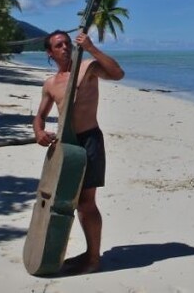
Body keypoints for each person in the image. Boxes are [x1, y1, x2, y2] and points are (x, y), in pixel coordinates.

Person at [33, 30, 125, 274]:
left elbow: (118, 74)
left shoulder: (88, 68)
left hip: (90, 140)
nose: (64, 47)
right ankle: (82, 252)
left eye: (66, 43)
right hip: (66, 144)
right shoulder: (51, 83)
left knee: (86, 203)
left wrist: (92, 48)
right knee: (65, 202)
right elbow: (39, 116)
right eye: (58, 45)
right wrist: (39, 132)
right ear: (50, 53)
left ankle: (93, 259)